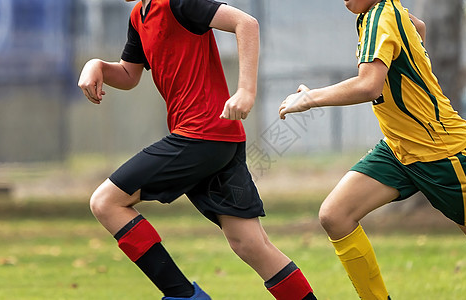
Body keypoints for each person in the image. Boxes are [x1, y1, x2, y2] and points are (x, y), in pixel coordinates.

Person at [278, 0, 466, 299]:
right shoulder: (380, 14)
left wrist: (310, 98)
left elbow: (369, 85)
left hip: (444, 153)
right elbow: (418, 27)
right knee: (335, 214)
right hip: (399, 149)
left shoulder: (381, 16)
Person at [77, 0, 316, 299]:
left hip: (202, 135)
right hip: (220, 139)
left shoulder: (179, 2)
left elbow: (247, 24)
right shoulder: (139, 15)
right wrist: (95, 65)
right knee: (250, 244)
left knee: (106, 202)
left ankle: (186, 296)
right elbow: (129, 75)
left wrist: (245, 91)